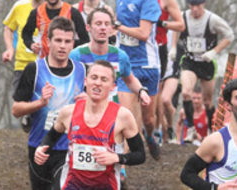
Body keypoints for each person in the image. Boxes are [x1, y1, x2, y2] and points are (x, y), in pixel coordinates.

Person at [34, 60, 146, 190]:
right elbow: (51, 137)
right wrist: (41, 148)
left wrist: (116, 157)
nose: (98, 83)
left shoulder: (123, 116)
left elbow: (140, 155)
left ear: (112, 86)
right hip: (72, 185)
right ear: (86, 81)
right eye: (94, 78)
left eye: (104, 79)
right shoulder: (68, 112)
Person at [12, 17, 86, 190]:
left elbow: (95, 108)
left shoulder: (82, 70)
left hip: (69, 149)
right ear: (48, 41)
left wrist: (87, 102)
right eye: (58, 40)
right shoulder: (34, 69)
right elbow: (16, 110)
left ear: (72, 44)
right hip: (39, 146)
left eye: (67, 41)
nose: (62, 46)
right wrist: (40, 102)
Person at [170, 0, 234, 142]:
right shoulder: (183, 17)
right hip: (190, 60)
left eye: (197, 6)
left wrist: (214, 51)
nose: (194, 9)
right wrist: (174, 47)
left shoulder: (212, 20)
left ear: (203, 4)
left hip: (207, 62)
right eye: (191, 6)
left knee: (207, 100)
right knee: (186, 92)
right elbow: (175, 29)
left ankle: (212, 130)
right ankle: (191, 129)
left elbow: (229, 35)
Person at [69, 8, 150, 106]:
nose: (103, 28)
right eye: (98, 24)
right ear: (88, 27)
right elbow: (68, 85)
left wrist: (141, 91)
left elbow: (130, 80)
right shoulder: (76, 55)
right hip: (85, 111)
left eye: (106, 24)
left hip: (112, 112)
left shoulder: (120, 56)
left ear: (112, 28)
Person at [115, 0, 162, 161]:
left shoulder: (149, 2)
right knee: (124, 114)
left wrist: (117, 27)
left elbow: (144, 33)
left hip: (148, 66)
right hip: (126, 65)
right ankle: (122, 167)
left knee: (148, 119)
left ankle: (149, 136)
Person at [154, 0, 185, 142]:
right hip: (144, 49)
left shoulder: (167, 2)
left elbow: (180, 26)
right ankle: (160, 128)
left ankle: (164, 129)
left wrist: (161, 23)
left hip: (166, 56)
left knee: (164, 98)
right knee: (152, 95)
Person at [2, 0, 44, 96]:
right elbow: (8, 28)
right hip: (23, 65)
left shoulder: (56, 7)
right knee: (20, 106)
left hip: (46, 66)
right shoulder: (20, 5)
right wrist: (10, 49)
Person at [22, 0, 89, 59]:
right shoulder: (37, 13)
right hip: (44, 60)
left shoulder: (73, 12)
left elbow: (85, 40)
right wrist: (31, 44)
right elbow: (26, 34)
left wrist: (68, 43)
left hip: (67, 62)